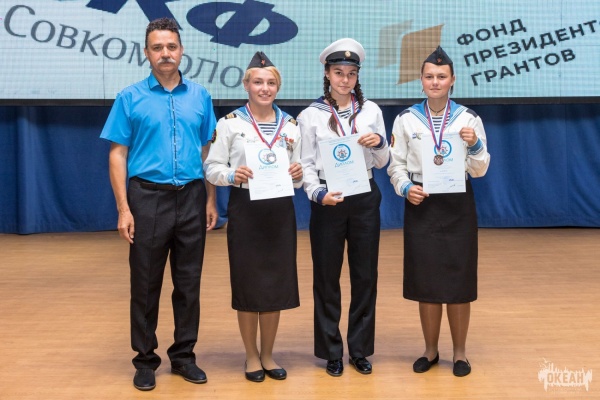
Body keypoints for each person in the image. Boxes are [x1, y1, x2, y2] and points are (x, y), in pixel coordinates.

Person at [100, 17, 217, 391]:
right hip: (147, 198)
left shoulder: (200, 96)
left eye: (171, 47)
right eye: (157, 47)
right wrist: (124, 209)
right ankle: (145, 360)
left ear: (182, 51)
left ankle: (183, 356)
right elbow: (117, 154)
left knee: (189, 283)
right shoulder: (129, 97)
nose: (165, 53)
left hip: (192, 196)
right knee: (145, 283)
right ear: (146, 52)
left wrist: (211, 199)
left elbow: (207, 150)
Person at [387, 46, 490, 377]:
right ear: (421, 80)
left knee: (459, 279)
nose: (435, 82)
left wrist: (474, 144)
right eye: (429, 76)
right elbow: (395, 165)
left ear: (452, 80)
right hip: (423, 202)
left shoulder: (468, 119)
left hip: (458, 203)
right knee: (426, 280)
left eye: (441, 77)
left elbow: (480, 169)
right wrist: (406, 188)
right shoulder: (406, 119)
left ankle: (460, 354)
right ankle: (430, 351)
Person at [204, 52, 302, 382]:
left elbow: (300, 173)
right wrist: (232, 175)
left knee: (274, 284)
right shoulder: (229, 123)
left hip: (279, 210)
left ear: (278, 87)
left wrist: (299, 173)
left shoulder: (291, 125)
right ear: (246, 84)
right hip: (245, 208)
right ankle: (250, 356)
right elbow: (211, 168)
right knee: (248, 284)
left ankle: (269, 355)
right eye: (258, 82)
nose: (264, 88)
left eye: (271, 82)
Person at [297, 38, 389, 377]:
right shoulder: (311, 116)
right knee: (326, 277)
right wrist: (317, 194)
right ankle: (331, 351)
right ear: (327, 74)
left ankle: (360, 350)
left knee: (365, 275)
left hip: (364, 196)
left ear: (357, 76)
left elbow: (383, 160)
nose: (345, 80)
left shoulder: (371, 111)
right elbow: (305, 163)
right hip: (329, 199)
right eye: (338, 73)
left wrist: (379, 143)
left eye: (351, 73)